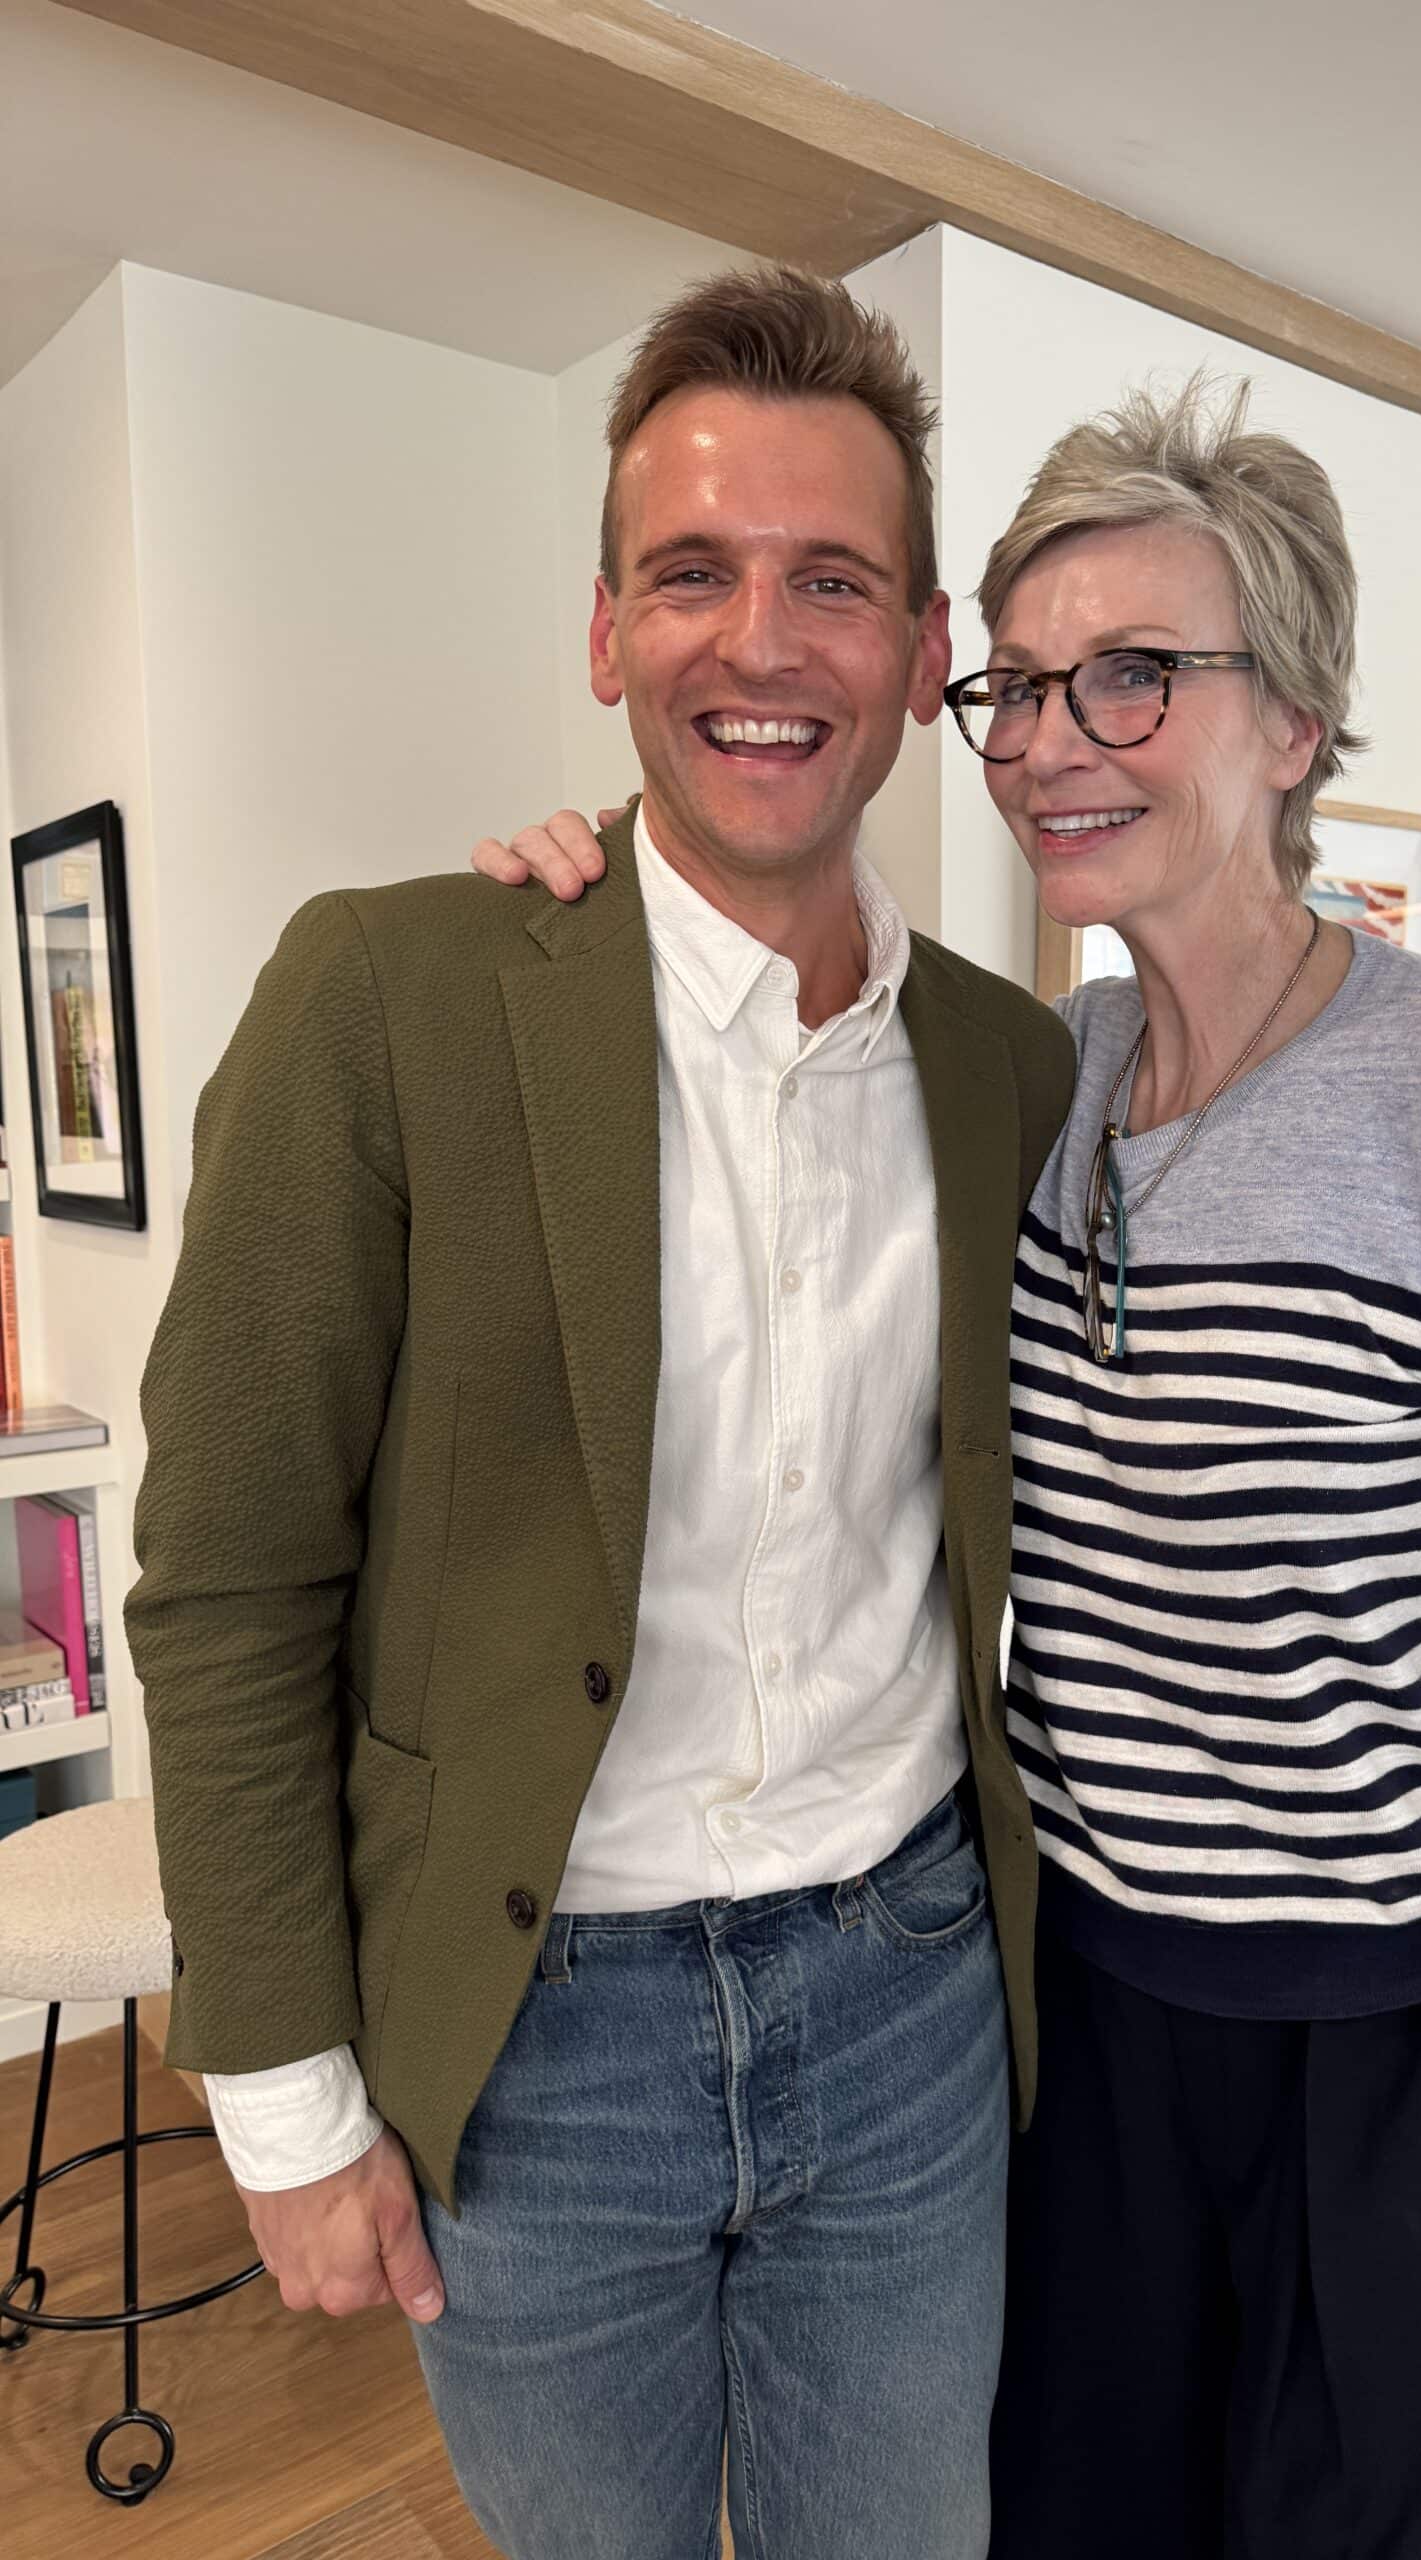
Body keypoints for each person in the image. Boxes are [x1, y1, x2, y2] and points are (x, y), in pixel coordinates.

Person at [489, 375, 1421, 2558]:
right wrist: (566, 898)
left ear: (1293, 721)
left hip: (1404, 2042)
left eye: (1134, 675)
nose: (1050, 737)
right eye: (1015, 684)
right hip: (1078, 2035)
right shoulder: (1041, 1074)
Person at [126, 265, 1075, 2560]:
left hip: (911, 2004)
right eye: (695, 574)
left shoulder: (1015, 1071)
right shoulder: (395, 994)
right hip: (541, 2039)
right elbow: (235, 1575)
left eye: (832, 581)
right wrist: (281, 2094)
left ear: (925, 644)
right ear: (600, 631)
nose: (763, 640)